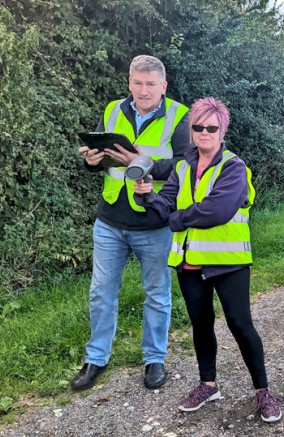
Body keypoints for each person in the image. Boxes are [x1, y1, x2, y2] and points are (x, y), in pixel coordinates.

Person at [133, 97, 282, 423]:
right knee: (201, 325)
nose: (203, 132)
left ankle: (263, 391)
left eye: (211, 127)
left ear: (222, 130)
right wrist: (145, 195)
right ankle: (208, 384)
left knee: (240, 325)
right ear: (191, 129)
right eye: (197, 126)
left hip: (228, 262)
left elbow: (217, 210)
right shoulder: (182, 167)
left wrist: (176, 218)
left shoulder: (234, 166)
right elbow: (162, 208)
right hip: (189, 263)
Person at [71, 55, 190, 391]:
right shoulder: (112, 110)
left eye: (151, 84)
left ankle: (154, 359)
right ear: (129, 82)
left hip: (154, 222)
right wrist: (92, 161)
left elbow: (186, 164)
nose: (143, 90)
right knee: (100, 293)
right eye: (137, 83)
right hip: (110, 220)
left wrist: (146, 164)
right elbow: (102, 160)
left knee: (157, 294)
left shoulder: (180, 117)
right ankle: (96, 358)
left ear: (163, 86)